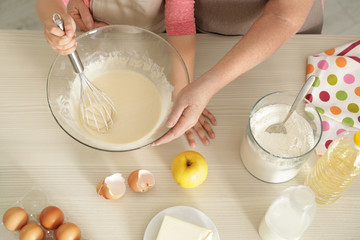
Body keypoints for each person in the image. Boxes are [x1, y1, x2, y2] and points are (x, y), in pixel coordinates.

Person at [36, 0, 322, 147]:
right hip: (200, 32)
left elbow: (283, 16)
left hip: (279, 41)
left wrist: (189, 89)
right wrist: (58, 16)